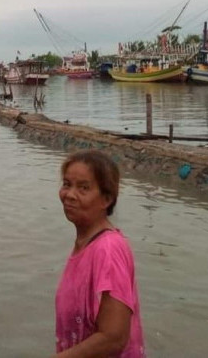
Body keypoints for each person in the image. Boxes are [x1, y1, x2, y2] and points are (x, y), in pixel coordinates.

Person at [55, 150, 145, 357]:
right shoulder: (85, 245)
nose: (69, 194)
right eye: (67, 184)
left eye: (83, 188)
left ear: (106, 199)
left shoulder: (108, 250)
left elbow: (114, 338)